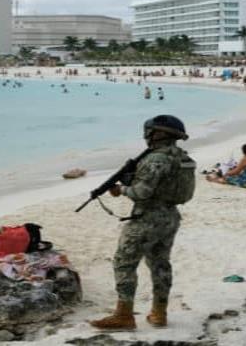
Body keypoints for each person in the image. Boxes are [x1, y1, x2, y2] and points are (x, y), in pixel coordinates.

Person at [90, 115, 194, 330]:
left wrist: (122, 190)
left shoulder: (155, 159)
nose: (146, 135)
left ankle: (124, 315)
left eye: (150, 131)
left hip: (147, 218)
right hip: (170, 217)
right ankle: (159, 312)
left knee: (124, 263)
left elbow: (143, 192)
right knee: (160, 264)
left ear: (157, 133)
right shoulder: (183, 158)